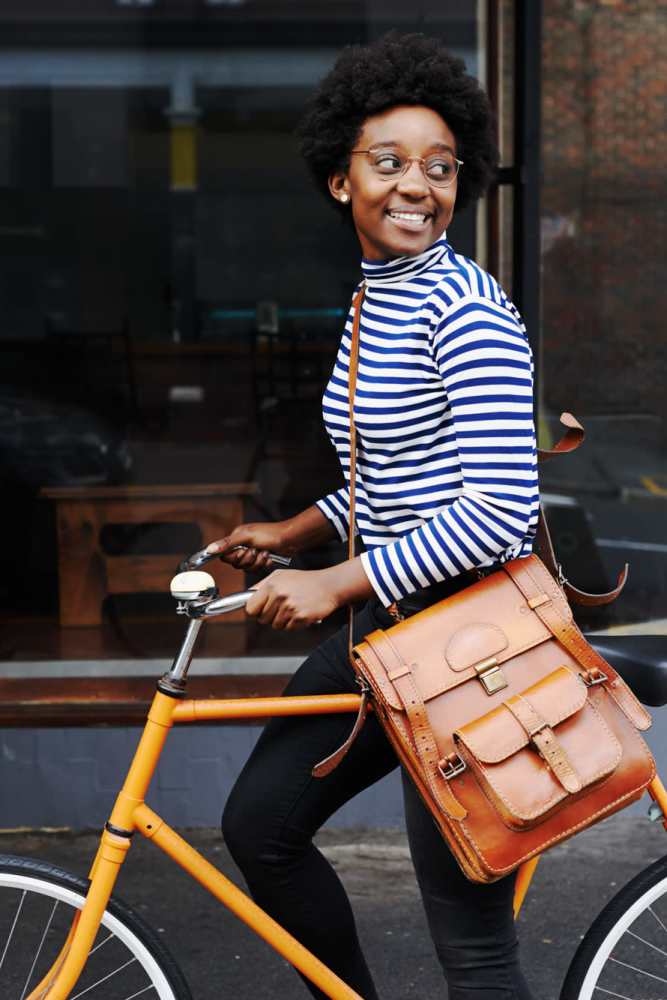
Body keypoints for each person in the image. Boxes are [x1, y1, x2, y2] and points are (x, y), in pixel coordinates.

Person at [210, 32, 538, 1000]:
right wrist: (297, 532)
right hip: (382, 626)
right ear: (337, 181)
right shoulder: (377, 301)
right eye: (387, 162)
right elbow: (404, 474)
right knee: (260, 829)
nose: (415, 187)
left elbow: (495, 512)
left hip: (467, 646)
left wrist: (332, 579)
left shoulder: (464, 308)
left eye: (439, 168)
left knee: (472, 946)